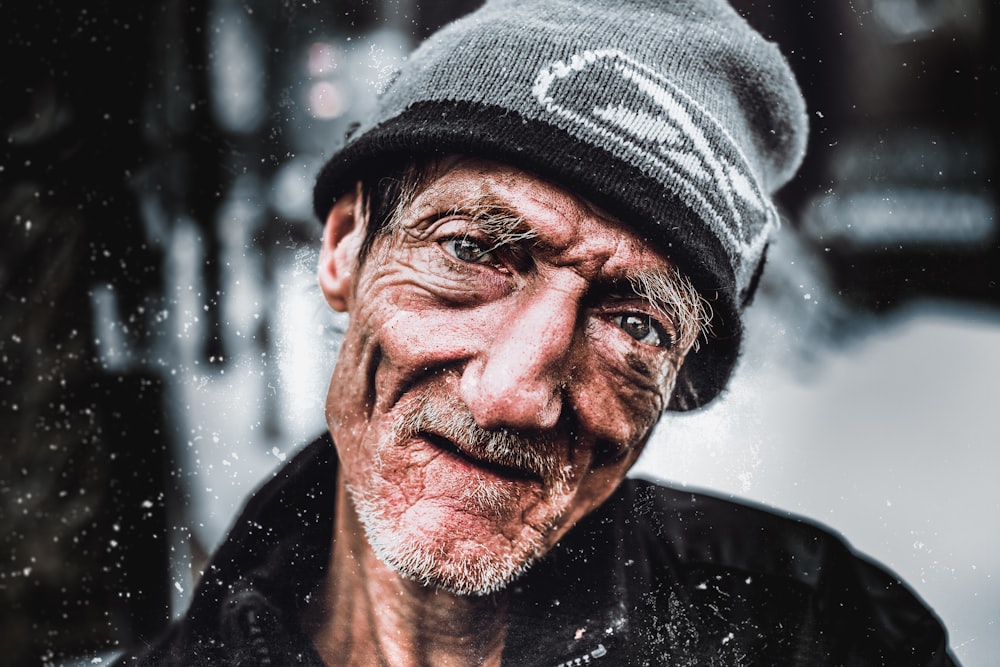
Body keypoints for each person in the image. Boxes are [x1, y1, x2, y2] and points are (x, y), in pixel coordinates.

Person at [119, 0, 958, 664]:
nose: (513, 393)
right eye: (473, 250)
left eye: (636, 323)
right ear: (344, 245)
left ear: (675, 386)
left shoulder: (828, 636)